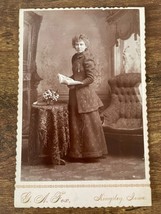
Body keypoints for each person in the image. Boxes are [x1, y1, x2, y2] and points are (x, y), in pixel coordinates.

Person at [67, 34, 108, 162]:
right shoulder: (74, 57)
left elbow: (90, 78)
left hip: (85, 95)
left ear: (85, 46)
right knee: (75, 123)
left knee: (88, 124)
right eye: (77, 44)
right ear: (74, 45)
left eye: (81, 44)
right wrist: (68, 79)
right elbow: (77, 74)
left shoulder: (88, 58)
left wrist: (78, 84)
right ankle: (78, 154)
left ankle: (92, 153)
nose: (78, 47)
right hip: (74, 95)